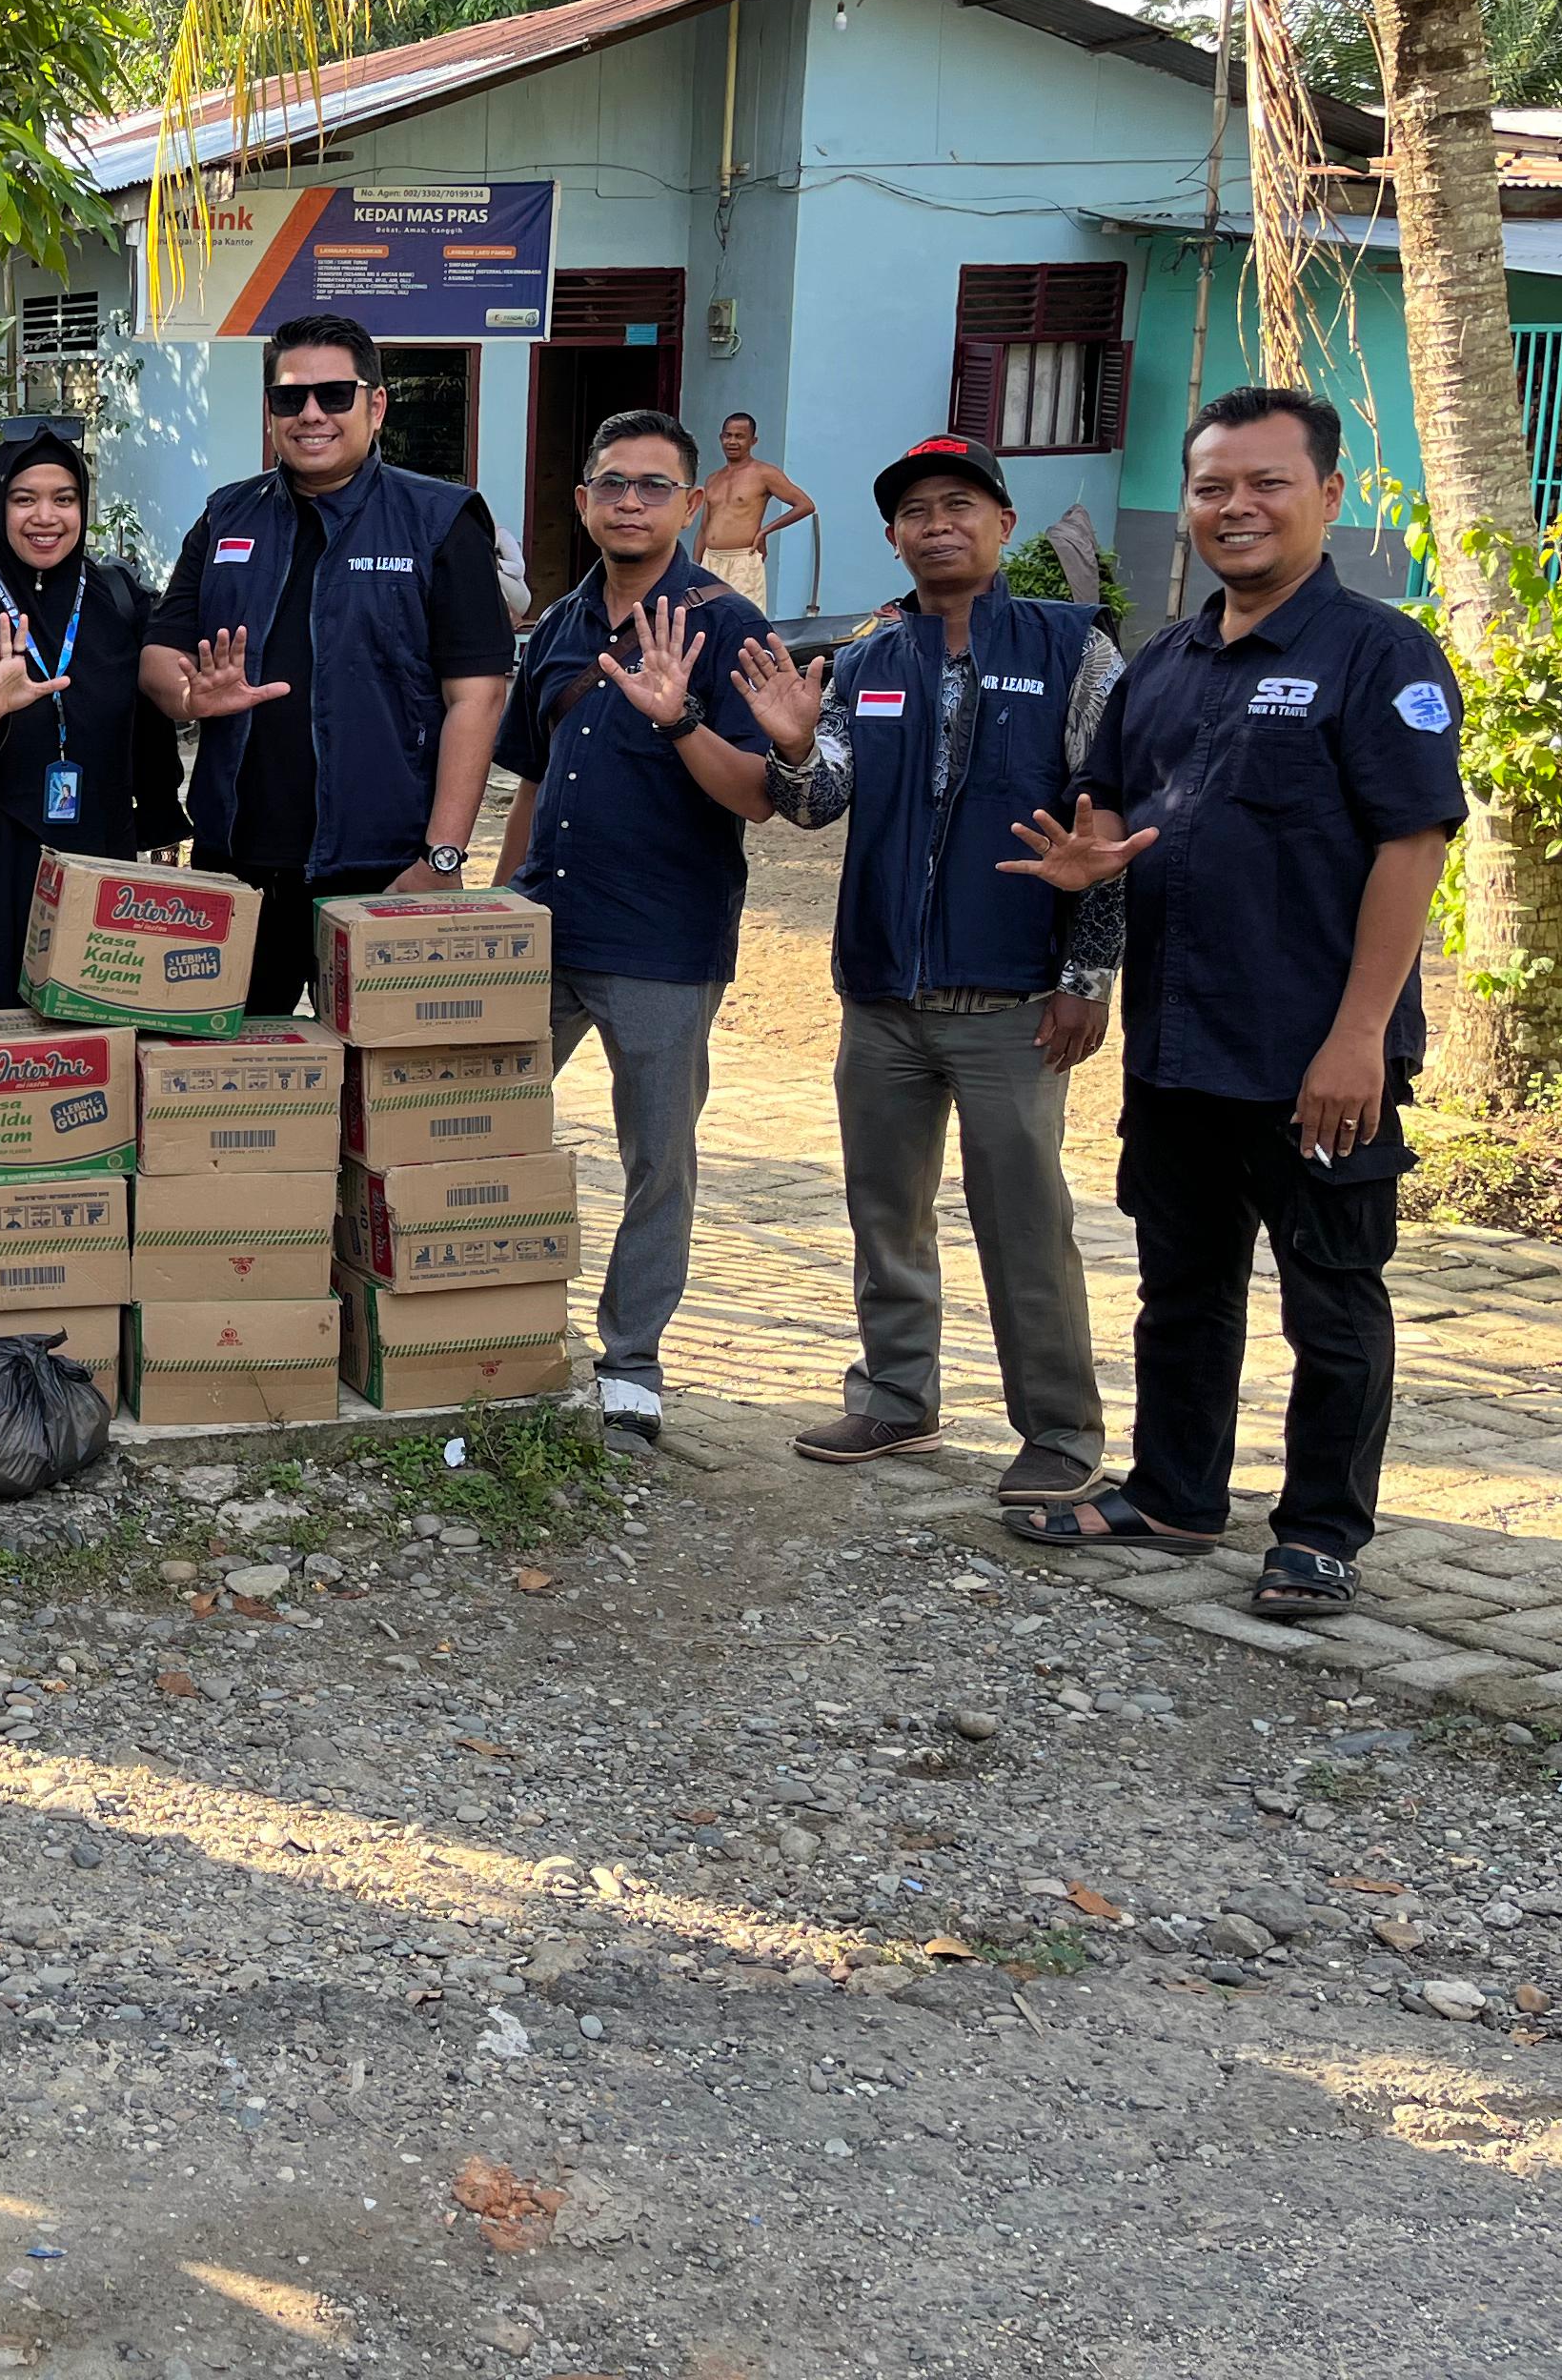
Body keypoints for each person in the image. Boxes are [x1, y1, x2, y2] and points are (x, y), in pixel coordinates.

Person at [996, 386, 1464, 1620]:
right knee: (1184, 1282)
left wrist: (1359, 1036)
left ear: (1328, 496)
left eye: (1266, 483)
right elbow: (1111, 813)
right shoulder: (1168, 664)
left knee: (1332, 1297)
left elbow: (1413, 847)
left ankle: (1318, 1535)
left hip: (1317, 1052)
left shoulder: (1377, 655)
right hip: (1183, 1044)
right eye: (1213, 487)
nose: (1236, 507)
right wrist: (1093, 870)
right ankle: (1173, 1494)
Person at [732, 433, 1123, 1504]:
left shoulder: (1074, 650)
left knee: (1026, 1219)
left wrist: (1089, 978)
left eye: (960, 506)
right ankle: (896, 1398)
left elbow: (1108, 820)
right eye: (915, 513)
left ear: (1002, 524)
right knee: (884, 1210)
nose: (937, 525)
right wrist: (797, 746)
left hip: (1016, 1000)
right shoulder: (865, 661)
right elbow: (816, 806)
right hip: (884, 997)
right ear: (894, 538)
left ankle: (1059, 1428)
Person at [488, 409, 780, 1446]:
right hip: (545, 929)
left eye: (655, 486)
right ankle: (487, 1329)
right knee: (479, 1130)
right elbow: (532, 775)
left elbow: (757, 794)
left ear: (692, 505)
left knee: (658, 1157)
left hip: (663, 942)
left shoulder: (727, 627)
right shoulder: (563, 625)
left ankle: (633, 1364)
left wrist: (680, 718)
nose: (630, 501)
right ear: (583, 500)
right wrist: (497, 899)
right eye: (612, 482)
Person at [141, 309, 514, 1017]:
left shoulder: (440, 519)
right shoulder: (228, 516)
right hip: (239, 865)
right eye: (290, 397)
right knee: (245, 1093)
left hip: (384, 870)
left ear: (376, 405)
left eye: (334, 395)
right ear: (272, 410)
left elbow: (478, 698)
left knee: (381, 1096)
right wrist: (189, 698)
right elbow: (160, 650)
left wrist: (442, 858)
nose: (311, 414)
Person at [0, 413, 183, 1212]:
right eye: (24, 498)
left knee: (79, 1080)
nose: (45, 517)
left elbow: (161, 699)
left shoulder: (120, 601)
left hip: (89, 870)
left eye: (63, 498)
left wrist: (195, 705)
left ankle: (76, 1251)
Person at [696, 411, 815, 608]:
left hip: (743, 561)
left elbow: (805, 505)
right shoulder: (713, 478)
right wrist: (697, 568)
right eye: (728, 435)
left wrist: (764, 531)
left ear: (753, 441)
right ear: (721, 437)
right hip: (711, 560)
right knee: (707, 621)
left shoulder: (764, 473)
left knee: (743, 622)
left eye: (740, 436)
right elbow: (703, 528)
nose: (732, 441)